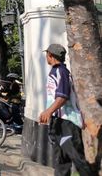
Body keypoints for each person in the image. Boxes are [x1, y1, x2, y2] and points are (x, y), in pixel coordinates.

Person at [39, 43, 93, 176]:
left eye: (47, 54)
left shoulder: (61, 72)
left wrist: (48, 111)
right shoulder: (57, 71)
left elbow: (62, 96)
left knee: (78, 159)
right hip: (59, 121)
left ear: (50, 55)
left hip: (67, 123)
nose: (47, 57)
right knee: (61, 161)